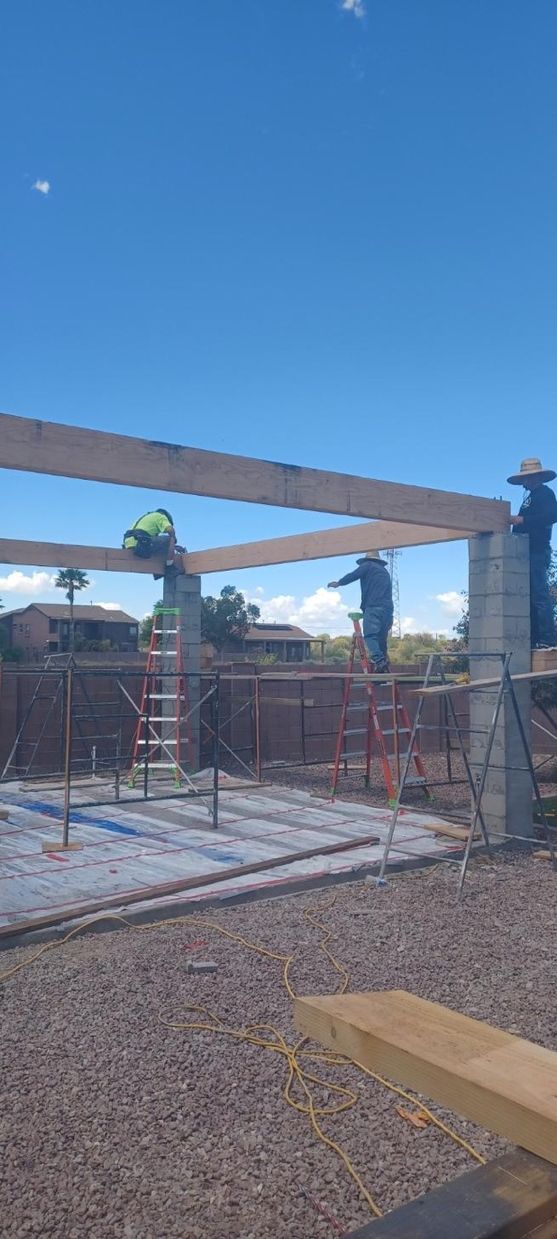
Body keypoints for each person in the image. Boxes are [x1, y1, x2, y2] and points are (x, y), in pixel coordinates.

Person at [508, 457, 557, 649]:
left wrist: (522, 521)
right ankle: (535, 638)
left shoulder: (545, 493)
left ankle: (547, 638)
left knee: (539, 595)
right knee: (529, 596)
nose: (524, 482)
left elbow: (552, 515)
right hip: (526, 551)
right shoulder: (530, 497)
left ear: (536, 477)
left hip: (537, 550)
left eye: (527, 478)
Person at [327, 550, 394, 672]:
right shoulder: (384, 572)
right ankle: (381, 669)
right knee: (381, 640)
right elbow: (389, 592)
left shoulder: (368, 565)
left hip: (373, 607)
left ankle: (380, 661)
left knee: (370, 636)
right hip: (388, 610)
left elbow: (353, 575)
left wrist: (339, 583)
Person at [123, 509, 186, 581]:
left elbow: (156, 542)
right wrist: (174, 540)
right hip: (140, 542)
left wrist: (173, 548)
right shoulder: (160, 516)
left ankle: (158, 572)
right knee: (170, 539)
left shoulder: (147, 517)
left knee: (162, 546)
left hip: (129, 543)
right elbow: (170, 530)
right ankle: (169, 568)